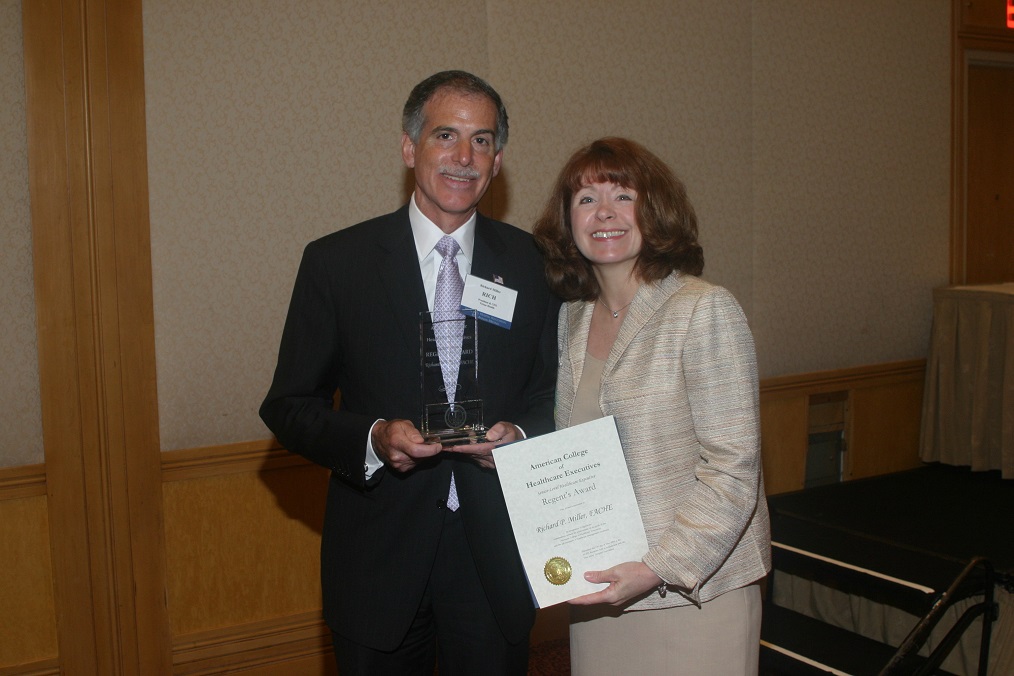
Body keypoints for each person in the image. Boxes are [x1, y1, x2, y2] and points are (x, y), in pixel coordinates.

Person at [260, 70, 558, 675]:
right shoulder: (337, 263)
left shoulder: (533, 264)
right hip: (378, 557)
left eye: (481, 141)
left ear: (498, 160)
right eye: (445, 135)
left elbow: (553, 392)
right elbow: (289, 406)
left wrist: (520, 438)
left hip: (493, 556)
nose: (462, 157)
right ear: (409, 147)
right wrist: (371, 439)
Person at [532, 137, 771, 675]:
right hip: (602, 593)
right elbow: (576, 449)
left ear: (654, 209)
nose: (605, 214)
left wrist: (658, 567)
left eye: (623, 195)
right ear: (568, 220)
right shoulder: (572, 317)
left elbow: (733, 469)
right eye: (586, 199)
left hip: (694, 593)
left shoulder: (703, 310)